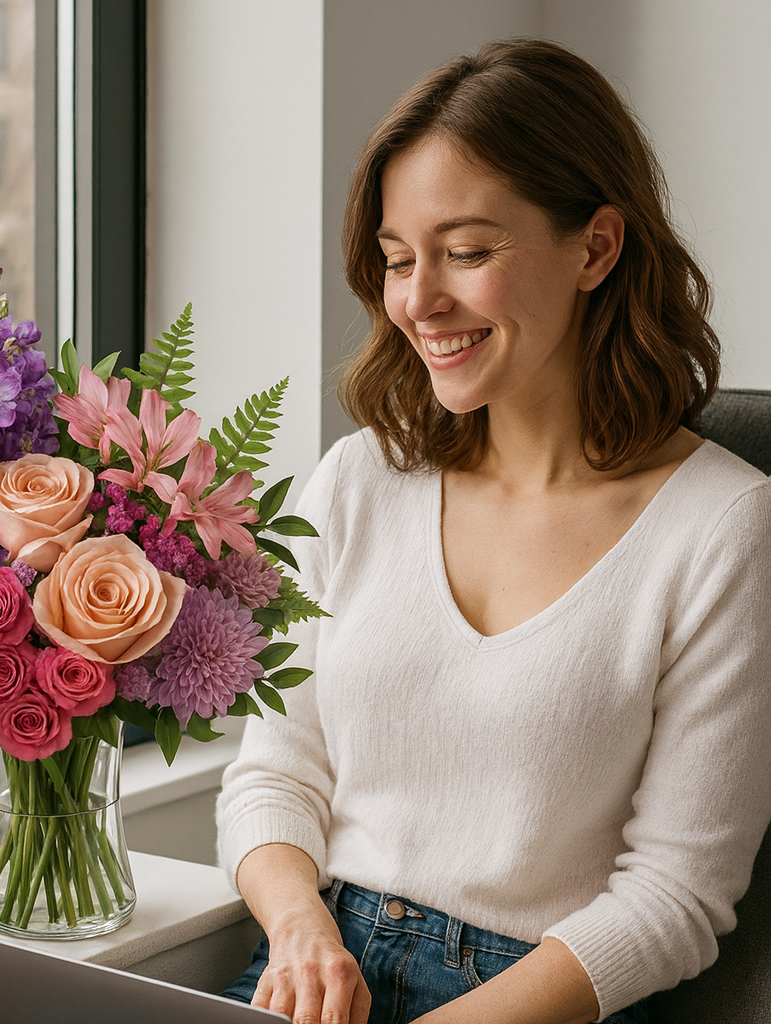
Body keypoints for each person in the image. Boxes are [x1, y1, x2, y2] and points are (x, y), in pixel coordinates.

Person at [215, 38, 771, 1024]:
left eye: (467, 252)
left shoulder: (721, 523)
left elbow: (678, 893)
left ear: (595, 247)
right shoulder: (357, 480)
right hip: (312, 970)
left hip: (536, 998)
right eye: (397, 259)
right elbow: (274, 770)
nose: (419, 301)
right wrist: (298, 927)